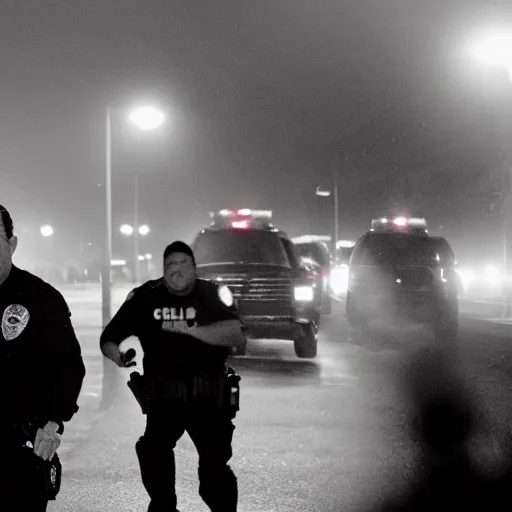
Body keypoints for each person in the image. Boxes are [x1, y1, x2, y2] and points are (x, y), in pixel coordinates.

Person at [100, 240, 245, 512]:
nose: (176, 270)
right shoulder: (145, 297)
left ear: (194, 267)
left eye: (183, 264)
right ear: (163, 269)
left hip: (208, 396)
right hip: (164, 397)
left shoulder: (214, 293)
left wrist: (192, 331)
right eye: (170, 265)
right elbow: (108, 339)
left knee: (215, 475)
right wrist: (119, 357)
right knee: (154, 457)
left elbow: (237, 336)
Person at [0, 204, 86, 511]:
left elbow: (69, 366)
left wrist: (53, 422)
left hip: (20, 448)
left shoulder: (41, 298)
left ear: (11, 243)